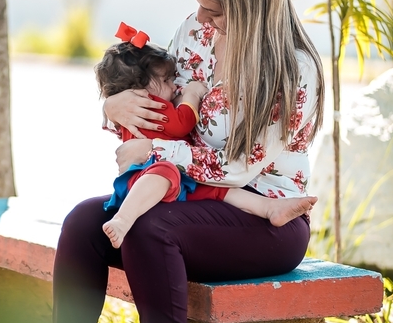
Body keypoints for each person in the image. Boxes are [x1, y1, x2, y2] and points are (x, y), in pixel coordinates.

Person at [53, 0, 324, 323]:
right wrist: (115, 105)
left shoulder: (293, 70)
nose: (200, 19)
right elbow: (155, 97)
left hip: (265, 220)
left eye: (214, 10)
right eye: (198, 5)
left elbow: (237, 169)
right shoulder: (196, 35)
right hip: (188, 201)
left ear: (250, 8)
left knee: (149, 226)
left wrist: (156, 148)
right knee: (82, 222)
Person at [96, 23, 318, 249]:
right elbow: (181, 123)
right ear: (141, 87)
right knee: (87, 218)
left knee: (209, 194)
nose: (175, 87)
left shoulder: (295, 65)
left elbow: (237, 168)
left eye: (212, 8)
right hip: (155, 173)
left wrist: (149, 144)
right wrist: (190, 95)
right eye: (167, 81)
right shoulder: (151, 105)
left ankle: (270, 207)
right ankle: (123, 219)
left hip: (197, 175)